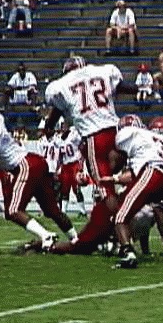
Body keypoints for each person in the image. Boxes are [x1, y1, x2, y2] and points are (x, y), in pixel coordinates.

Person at [0, 104, 78, 248]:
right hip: (36, 163)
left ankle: (46, 236)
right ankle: (76, 239)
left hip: (25, 165)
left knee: (13, 211)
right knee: (52, 210)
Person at [44, 56, 136, 213]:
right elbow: (123, 87)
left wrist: (48, 127)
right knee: (121, 175)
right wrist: (140, 89)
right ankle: (133, 204)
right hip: (117, 131)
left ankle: (118, 220)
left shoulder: (62, 84)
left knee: (104, 184)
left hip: (95, 136)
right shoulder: (102, 71)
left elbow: (57, 109)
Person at [99, 114, 163, 268]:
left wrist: (109, 172)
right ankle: (129, 245)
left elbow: (115, 163)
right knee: (148, 211)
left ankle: (126, 251)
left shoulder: (127, 134)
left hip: (151, 173)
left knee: (120, 216)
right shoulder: (156, 138)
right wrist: (114, 179)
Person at [57, 120, 86, 216]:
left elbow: (82, 145)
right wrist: (58, 167)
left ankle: (83, 211)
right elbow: (60, 155)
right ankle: (63, 212)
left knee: (76, 189)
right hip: (65, 165)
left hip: (74, 164)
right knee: (64, 189)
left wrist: (81, 161)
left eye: (65, 125)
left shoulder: (73, 134)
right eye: (62, 125)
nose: (63, 127)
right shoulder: (59, 138)